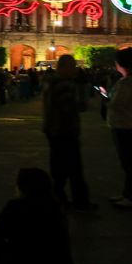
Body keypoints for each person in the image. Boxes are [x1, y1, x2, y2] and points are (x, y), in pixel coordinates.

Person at [42, 54, 95, 211]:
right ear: (63, 68)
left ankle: (58, 199)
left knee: (59, 168)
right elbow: (69, 109)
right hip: (65, 130)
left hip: (52, 129)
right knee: (74, 168)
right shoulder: (65, 85)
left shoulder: (50, 83)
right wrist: (83, 104)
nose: (75, 70)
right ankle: (80, 202)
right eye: (72, 66)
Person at [107, 47, 132, 209]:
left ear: (120, 64)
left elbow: (117, 104)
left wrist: (107, 99)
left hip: (125, 126)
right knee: (131, 164)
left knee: (130, 164)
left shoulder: (127, 83)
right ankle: (128, 194)